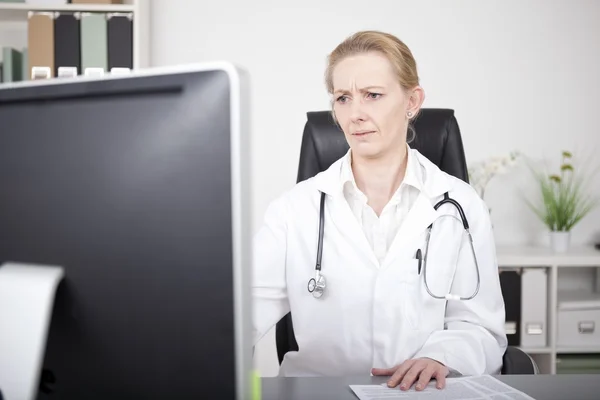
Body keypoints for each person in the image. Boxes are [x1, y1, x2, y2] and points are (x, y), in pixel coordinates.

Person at [252, 30, 507, 391]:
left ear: (412, 101)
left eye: (372, 95)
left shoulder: (461, 206)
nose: (355, 114)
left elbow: (481, 328)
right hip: (320, 393)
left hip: (418, 394)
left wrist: (440, 358)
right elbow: (237, 317)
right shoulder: (294, 211)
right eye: (343, 98)